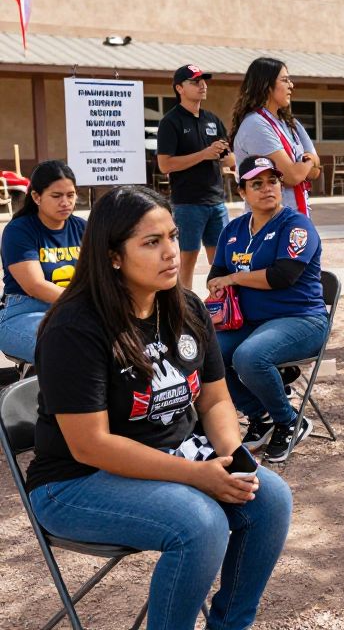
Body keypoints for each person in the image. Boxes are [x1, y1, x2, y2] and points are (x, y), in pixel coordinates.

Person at [24, 185, 292, 630]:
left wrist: (232, 457)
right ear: (113, 256)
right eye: (152, 242)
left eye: (172, 236)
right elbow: (91, 445)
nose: (171, 252)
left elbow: (215, 398)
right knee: (200, 526)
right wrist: (195, 476)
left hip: (176, 460)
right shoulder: (74, 327)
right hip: (76, 482)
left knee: (271, 500)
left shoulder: (185, 306)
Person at [207, 156, 330, 464]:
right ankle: (260, 416)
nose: (267, 189)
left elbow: (281, 276)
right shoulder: (232, 230)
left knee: (249, 357)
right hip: (250, 323)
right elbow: (215, 274)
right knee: (207, 355)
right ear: (242, 193)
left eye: (273, 181)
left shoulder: (297, 225)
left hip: (302, 320)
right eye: (256, 184)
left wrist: (234, 278)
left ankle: (290, 420)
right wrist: (217, 284)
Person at [157, 63, 234, 290]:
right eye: (195, 82)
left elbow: (229, 159)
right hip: (188, 204)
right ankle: (184, 313)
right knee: (186, 263)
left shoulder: (212, 119)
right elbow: (165, 164)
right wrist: (204, 154)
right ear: (179, 88)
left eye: (203, 81)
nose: (202, 85)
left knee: (222, 262)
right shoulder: (171, 122)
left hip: (216, 202)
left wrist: (225, 155)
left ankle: (222, 311)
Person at [0, 160, 85, 364]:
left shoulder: (83, 228)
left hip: (74, 309)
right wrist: (86, 303)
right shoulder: (19, 230)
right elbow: (35, 286)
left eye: (70, 195)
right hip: (25, 312)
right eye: (56, 196)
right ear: (36, 197)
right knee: (70, 352)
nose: (65, 202)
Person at [230, 57, 321, 217]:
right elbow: (292, 176)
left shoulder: (291, 123)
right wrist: (310, 161)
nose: (291, 85)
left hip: (296, 220)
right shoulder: (256, 125)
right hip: (270, 224)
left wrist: (308, 165)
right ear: (267, 85)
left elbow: (315, 172)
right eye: (285, 80)